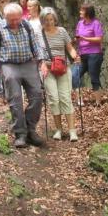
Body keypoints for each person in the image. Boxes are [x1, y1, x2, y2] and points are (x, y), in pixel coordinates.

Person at [0, 3, 49, 148]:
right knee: (15, 99)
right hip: (9, 65)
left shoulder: (26, 25)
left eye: (17, 19)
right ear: (5, 17)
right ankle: (20, 134)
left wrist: (42, 62)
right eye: (11, 20)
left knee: (37, 95)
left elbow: (35, 46)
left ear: (21, 16)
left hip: (28, 63)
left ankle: (30, 129)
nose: (14, 22)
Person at [40, 8, 80, 142]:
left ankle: (72, 130)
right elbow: (37, 52)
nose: (49, 22)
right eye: (46, 20)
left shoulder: (62, 31)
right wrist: (41, 64)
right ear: (42, 20)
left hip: (63, 68)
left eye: (51, 19)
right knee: (53, 98)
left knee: (65, 98)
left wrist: (75, 56)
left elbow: (69, 48)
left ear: (55, 19)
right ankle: (58, 129)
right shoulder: (39, 34)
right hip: (48, 69)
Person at [74, 3, 104, 91]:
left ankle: (98, 102)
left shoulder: (96, 23)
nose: (80, 12)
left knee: (94, 77)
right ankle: (80, 99)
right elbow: (78, 37)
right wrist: (76, 40)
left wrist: (84, 38)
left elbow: (99, 39)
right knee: (75, 74)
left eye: (82, 10)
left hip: (94, 54)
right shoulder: (80, 23)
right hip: (82, 54)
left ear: (88, 12)